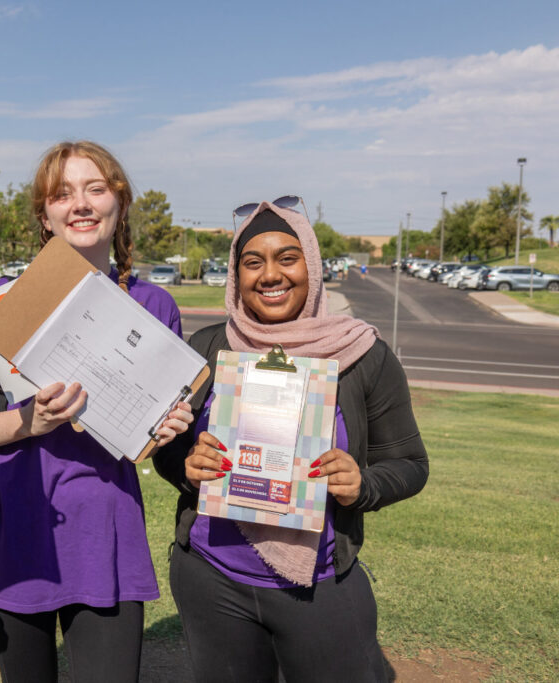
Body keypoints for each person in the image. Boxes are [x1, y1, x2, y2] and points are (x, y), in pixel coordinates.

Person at [0, 141, 193, 682]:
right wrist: (26, 422)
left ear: (120, 203)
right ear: (44, 214)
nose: (79, 204)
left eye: (95, 189)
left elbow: (152, 430)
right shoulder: (1, 304)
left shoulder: (156, 308)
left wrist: (170, 429)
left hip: (105, 532)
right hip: (13, 526)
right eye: (62, 194)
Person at [154, 201, 428, 682]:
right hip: (211, 575)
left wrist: (361, 483)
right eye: (252, 262)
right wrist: (185, 466)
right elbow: (167, 446)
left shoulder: (362, 355)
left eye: (287, 257)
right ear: (236, 276)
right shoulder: (210, 346)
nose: (269, 274)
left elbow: (409, 463)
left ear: (313, 268)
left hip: (318, 583)